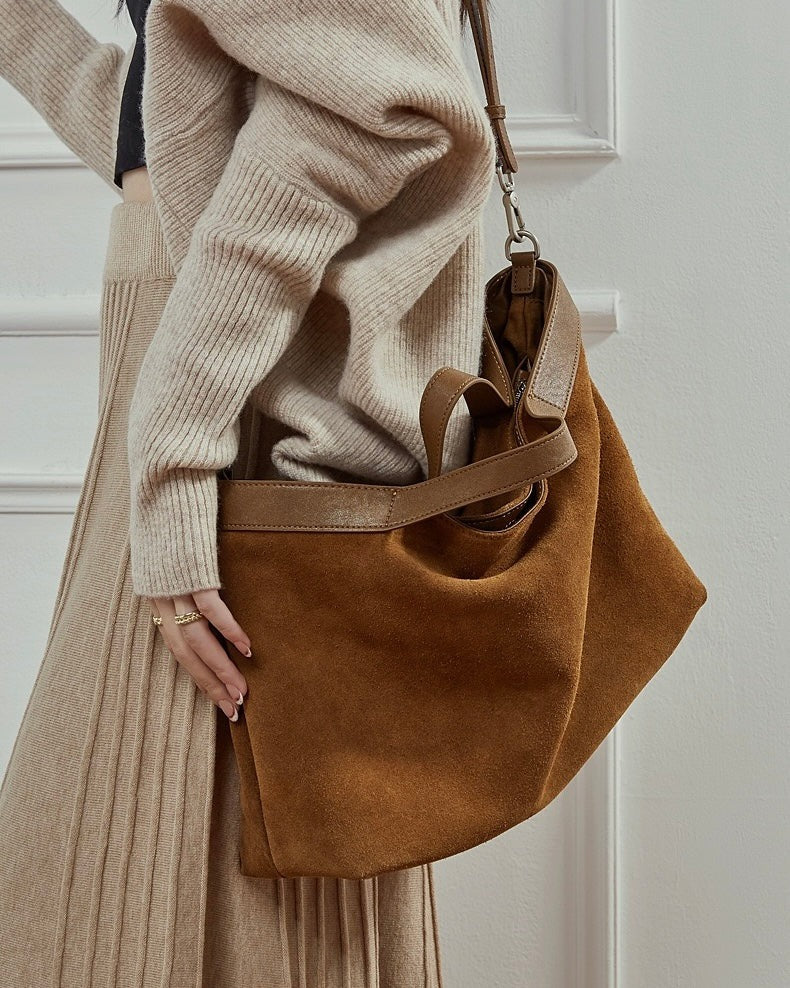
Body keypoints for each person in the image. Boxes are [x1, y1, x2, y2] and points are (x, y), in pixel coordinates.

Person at [0, 0, 497, 983]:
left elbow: (376, 101)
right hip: (205, 356)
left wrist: (180, 455)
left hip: (241, 393)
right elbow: (192, 136)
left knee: (235, 879)